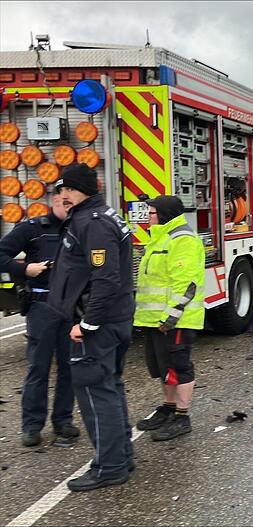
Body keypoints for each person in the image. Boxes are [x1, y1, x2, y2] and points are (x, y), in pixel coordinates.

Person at [47, 163, 135, 492]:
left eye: (67, 189)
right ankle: (121, 457)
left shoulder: (93, 222)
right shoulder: (99, 216)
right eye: (59, 191)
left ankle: (110, 467)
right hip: (112, 319)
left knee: (97, 394)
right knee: (108, 388)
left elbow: (106, 278)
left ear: (82, 189)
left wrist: (87, 322)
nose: (62, 195)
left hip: (97, 324)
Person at [0, 191, 79, 447]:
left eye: (72, 202)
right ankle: (32, 425)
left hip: (71, 308)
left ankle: (63, 421)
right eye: (63, 201)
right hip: (42, 306)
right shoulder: (32, 229)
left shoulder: (82, 228)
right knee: (38, 368)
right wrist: (24, 269)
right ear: (54, 201)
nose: (68, 206)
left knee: (70, 368)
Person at [134, 196, 205, 441]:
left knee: (179, 367)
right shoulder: (159, 238)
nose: (148, 217)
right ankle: (167, 408)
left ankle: (182, 417)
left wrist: (170, 318)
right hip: (154, 319)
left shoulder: (183, 240)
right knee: (162, 368)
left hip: (175, 320)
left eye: (152, 213)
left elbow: (185, 285)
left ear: (164, 215)